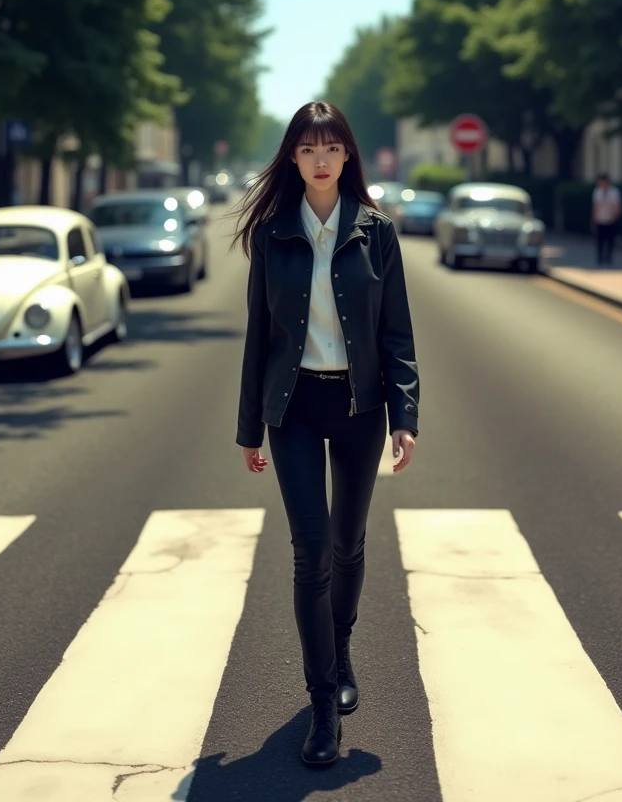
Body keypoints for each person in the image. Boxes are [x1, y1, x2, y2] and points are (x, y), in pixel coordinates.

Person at [230, 101, 419, 768]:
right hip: (296, 409)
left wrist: (406, 417)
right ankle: (321, 711)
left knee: (348, 543)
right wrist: (250, 427)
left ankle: (341, 654)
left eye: (329, 148)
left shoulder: (378, 232)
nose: (318, 159)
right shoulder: (274, 235)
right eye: (306, 148)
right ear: (292, 157)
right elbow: (259, 337)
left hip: (361, 407)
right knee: (310, 552)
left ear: (346, 157)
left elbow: (396, 333)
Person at [591, 172, 622, 265]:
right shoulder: (597, 191)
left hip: (611, 220)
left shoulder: (614, 192)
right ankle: (600, 258)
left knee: (610, 240)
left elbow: (618, 206)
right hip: (600, 219)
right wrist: (593, 218)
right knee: (599, 240)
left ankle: (608, 257)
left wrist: (615, 217)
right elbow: (595, 206)